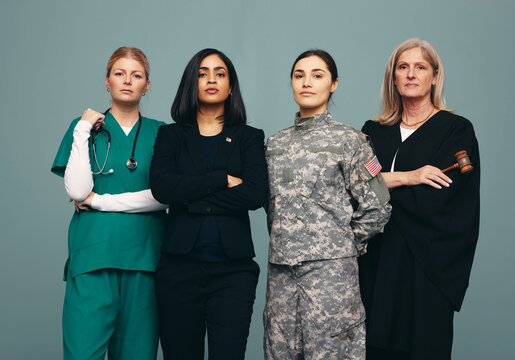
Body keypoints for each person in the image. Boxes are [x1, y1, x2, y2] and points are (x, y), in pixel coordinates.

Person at [264, 49, 392, 360]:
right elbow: (272, 209)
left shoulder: (353, 141)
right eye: (299, 75)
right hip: (282, 278)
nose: (307, 82)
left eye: (317, 75)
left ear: (333, 84)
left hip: (332, 278)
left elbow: (379, 204)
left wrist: (343, 246)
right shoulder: (273, 145)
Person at [358, 38, 481, 360]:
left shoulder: (455, 131)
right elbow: (359, 185)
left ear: (435, 76)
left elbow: (448, 198)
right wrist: (411, 177)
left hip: (426, 266)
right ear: (393, 77)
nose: (411, 74)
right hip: (376, 265)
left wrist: (383, 187)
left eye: (420, 67)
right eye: (403, 67)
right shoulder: (373, 132)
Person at [149, 48, 268, 360]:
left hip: (233, 273)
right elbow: (162, 188)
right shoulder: (170, 135)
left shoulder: (250, 138)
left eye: (220, 73)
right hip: (178, 270)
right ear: (191, 83)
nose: (211, 79)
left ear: (231, 87)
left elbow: (255, 195)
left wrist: (188, 195)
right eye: (202, 73)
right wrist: (222, 179)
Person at [51, 47, 167, 360]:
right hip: (93, 258)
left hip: (144, 262)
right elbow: (77, 190)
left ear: (147, 85)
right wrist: (82, 129)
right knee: (81, 354)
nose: (127, 80)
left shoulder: (163, 134)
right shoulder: (85, 128)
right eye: (119, 73)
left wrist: (99, 201)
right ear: (107, 81)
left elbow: (166, 195)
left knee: (137, 355)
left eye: (136, 75)